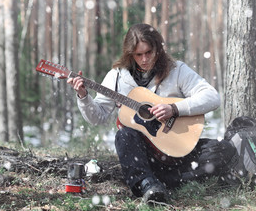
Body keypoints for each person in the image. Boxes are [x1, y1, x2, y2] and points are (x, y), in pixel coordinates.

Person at [67, 23, 234, 203]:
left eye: (149, 52)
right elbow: (97, 117)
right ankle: (149, 185)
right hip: (146, 155)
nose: (145, 59)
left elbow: (212, 97)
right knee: (124, 136)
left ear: (158, 49)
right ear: (130, 54)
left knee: (224, 149)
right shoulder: (116, 77)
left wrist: (175, 109)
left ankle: (156, 181)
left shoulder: (176, 70)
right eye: (139, 54)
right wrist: (83, 96)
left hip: (178, 151)